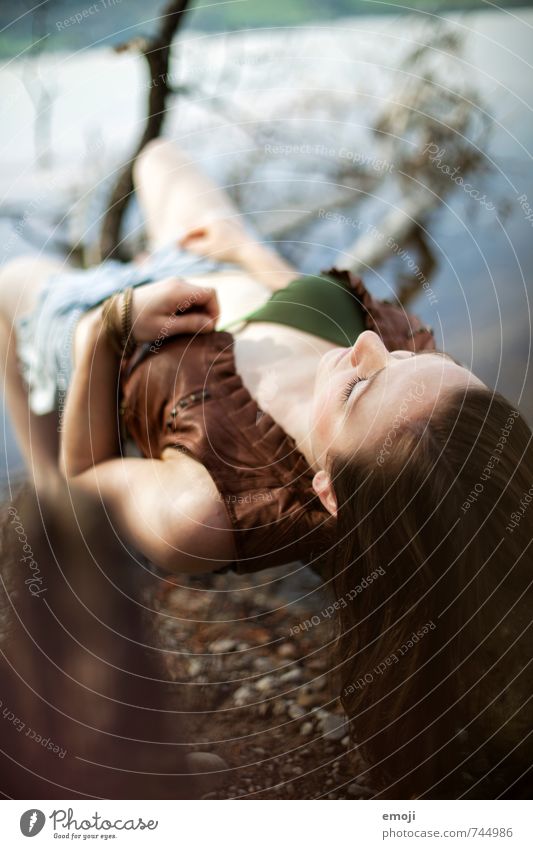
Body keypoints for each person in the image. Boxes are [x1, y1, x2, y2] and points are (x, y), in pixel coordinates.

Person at [1, 140, 531, 798]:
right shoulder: (423, 412)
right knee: (158, 154)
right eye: (433, 361)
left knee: (7, 286)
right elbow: (322, 319)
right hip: (208, 264)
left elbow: (88, 484)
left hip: (109, 319)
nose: (374, 345)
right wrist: (244, 249)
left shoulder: (206, 505)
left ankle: (40, 520)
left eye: (358, 388)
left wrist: (109, 327)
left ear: (327, 487)